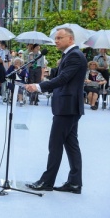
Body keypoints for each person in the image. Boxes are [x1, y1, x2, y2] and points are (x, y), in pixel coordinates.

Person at [25, 27, 87, 194]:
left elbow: (64, 79)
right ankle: (74, 183)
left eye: (60, 38)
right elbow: (63, 76)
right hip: (69, 107)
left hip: (67, 108)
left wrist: (38, 86)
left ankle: (47, 181)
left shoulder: (74, 55)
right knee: (71, 145)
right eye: (56, 38)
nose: (56, 41)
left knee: (55, 145)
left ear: (70, 39)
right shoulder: (70, 54)